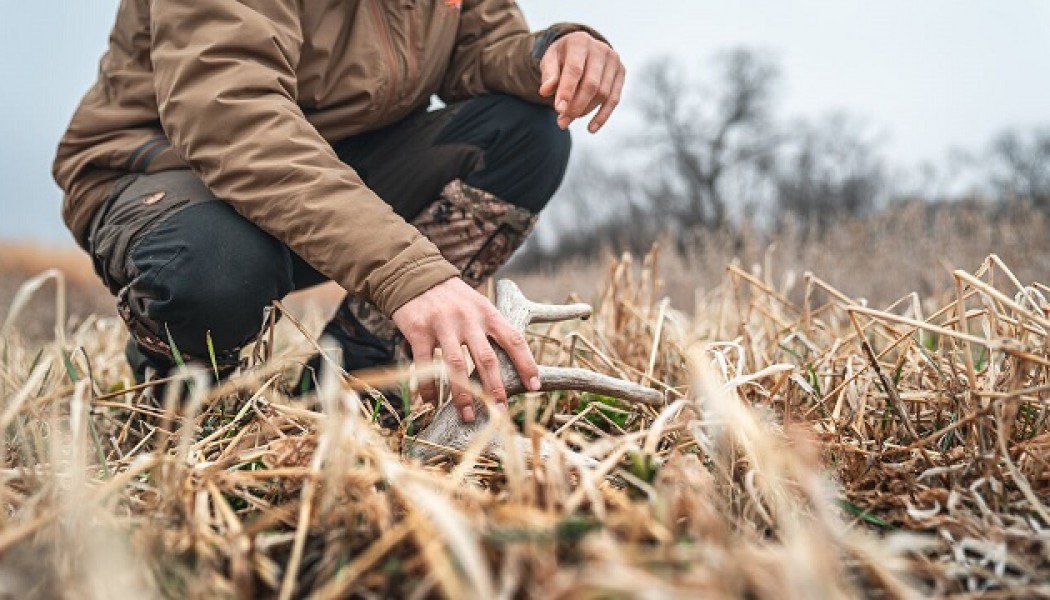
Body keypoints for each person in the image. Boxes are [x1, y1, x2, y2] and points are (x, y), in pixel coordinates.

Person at [53, 0, 625, 424]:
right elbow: (233, 118)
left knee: (530, 132)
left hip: (332, 158)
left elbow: (475, 51)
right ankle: (187, 393)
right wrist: (408, 274)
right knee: (213, 270)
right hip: (166, 166)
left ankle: (356, 378)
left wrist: (550, 53)